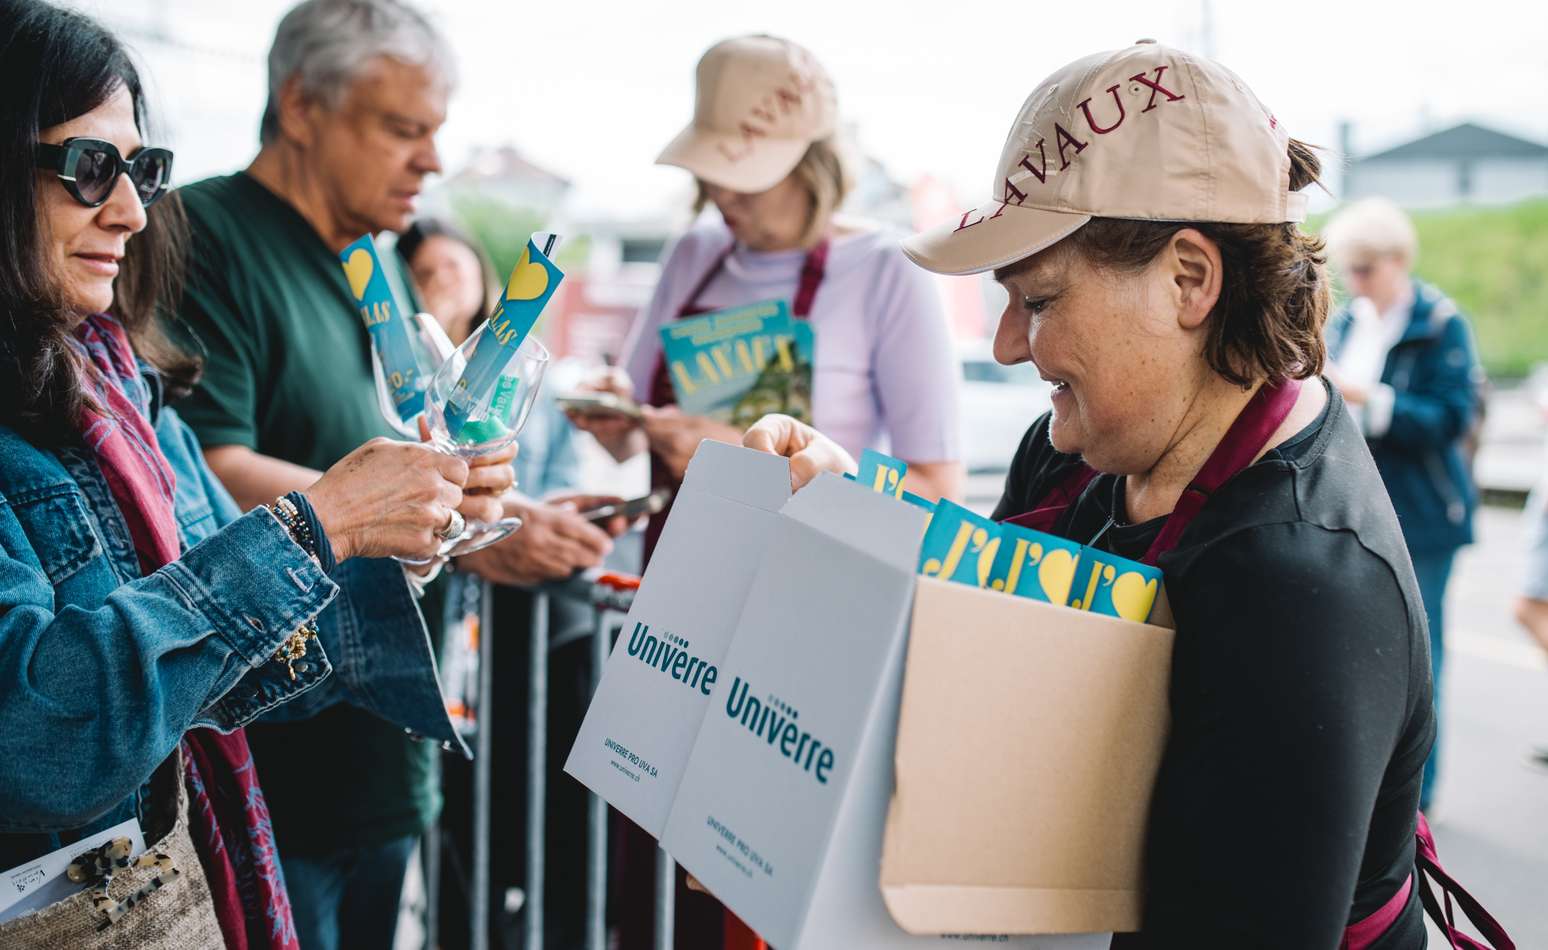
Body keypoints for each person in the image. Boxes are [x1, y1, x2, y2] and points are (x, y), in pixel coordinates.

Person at [744, 40, 1442, 949]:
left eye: (1037, 301)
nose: (1002, 345)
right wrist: (859, 511)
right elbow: (988, 645)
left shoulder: (1298, 583)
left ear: (1189, 279)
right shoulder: (1082, 447)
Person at [0, 3, 490, 946]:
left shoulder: (118, 385)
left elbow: (236, 656)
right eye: (89, 167)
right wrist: (323, 525)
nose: (134, 211)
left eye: (142, 169)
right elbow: (40, 738)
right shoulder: (199, 276)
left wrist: (398, 533)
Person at [171, 3, 620, 947]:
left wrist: (495, 505)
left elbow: (410, 444)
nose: (430, 160)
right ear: (301, 105)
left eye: (436, 132)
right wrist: (434, 512)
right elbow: (205, 471)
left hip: (383, 758)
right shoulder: (204, 236)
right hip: (268, 763)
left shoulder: (375, 255)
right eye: (401, 129)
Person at [572, 34, 966, 553]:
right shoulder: (692, 253)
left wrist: (741, 463)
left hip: (807, 586)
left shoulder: (888, 269)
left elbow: (935, 496)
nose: (721, 193)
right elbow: (633, 438)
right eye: (711, 170)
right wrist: (615, 417)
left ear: (812, 163)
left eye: (743, 174)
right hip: (676, 574)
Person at [1323, 196, 1483, 810]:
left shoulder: (1442, 324)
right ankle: (1377, 792)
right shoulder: (1347, 321)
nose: (1358, 282)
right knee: (1362, 655)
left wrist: (1369, 397)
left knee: (1422, 657)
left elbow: (1451, 419)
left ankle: (1419, 801)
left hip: (1421, 512)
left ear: (1398, 260)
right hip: (1359, 507)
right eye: (1351, 270)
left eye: (1366, 269)